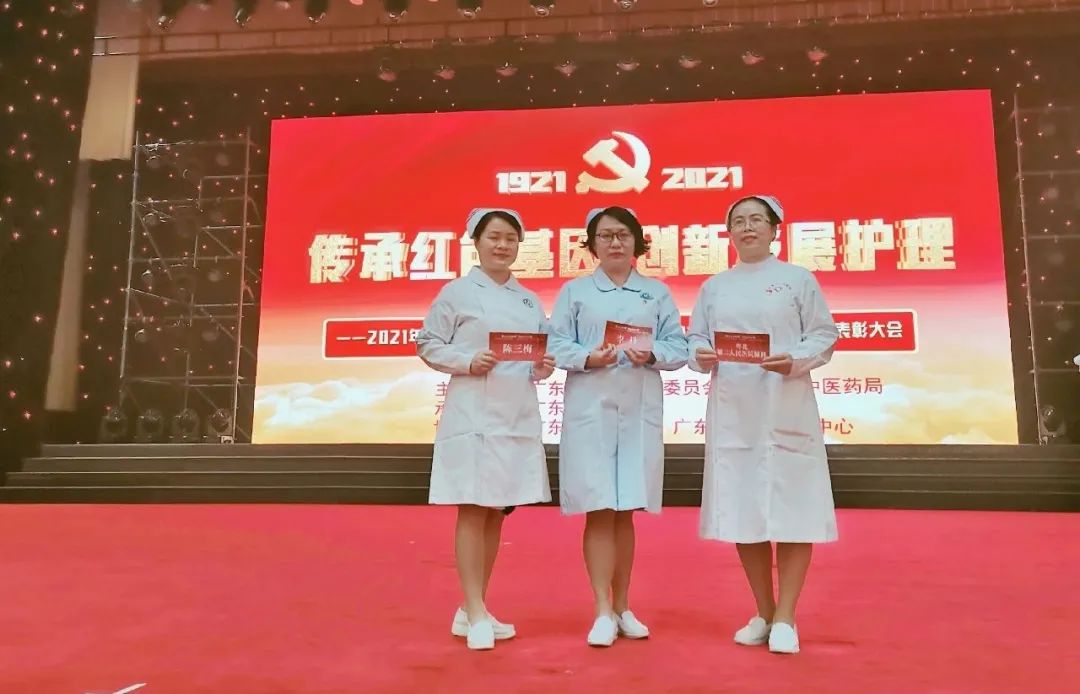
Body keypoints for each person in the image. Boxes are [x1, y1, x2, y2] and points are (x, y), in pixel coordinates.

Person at [687, 194, 839, 655]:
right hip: (736, 412)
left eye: (757, 220)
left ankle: (787, 616)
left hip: (786, 404)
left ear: (775, 230)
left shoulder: (797, 279)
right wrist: (701, 355)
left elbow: (824, 334)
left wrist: (794, 359)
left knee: (795, 514)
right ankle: (764, 612)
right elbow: (696, 337)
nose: (747, 227)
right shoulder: (715, 287)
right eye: (739, 221)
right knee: (744, 512)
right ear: (729, 232)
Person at [416, 208, 556, 651]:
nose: (502, 245)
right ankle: (475, 610)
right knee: (473, 508)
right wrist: (466, 361)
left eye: (510, 238)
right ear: (476, 242)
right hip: (473, 414)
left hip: (515, 416)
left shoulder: (528, 300)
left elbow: (539, 355)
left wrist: (542, 366)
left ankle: (472, 607)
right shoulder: (457, 293)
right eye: (494, 236)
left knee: (496, 510)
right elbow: (427, 343)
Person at [549, 206, 689, 647]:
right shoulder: (575, 292)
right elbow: (554, 344)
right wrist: (587, 357)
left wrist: (654, 354)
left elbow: (679, 346)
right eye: (606, 235)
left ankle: (624, 605)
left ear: (637, 242)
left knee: (626, 508)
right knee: (599, 508)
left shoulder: (656, 293)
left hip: (637, 408)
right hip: (590, 409)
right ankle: (601, 609)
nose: (615, 242)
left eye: (623, 235)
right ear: (592, 244)